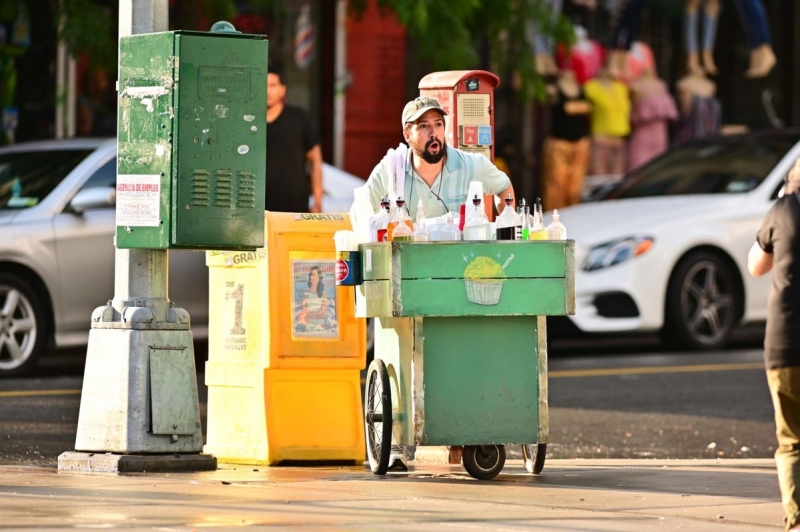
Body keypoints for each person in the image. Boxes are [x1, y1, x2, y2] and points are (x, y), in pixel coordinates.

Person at [747, 159, 800, 531]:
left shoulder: (784, 209)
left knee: (792, 440)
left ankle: (797, 519)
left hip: (786, 340)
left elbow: (757, 266)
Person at [363, 96, 515, 221]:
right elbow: (362, 209)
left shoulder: (471, 164)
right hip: (411, 257)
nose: (433, 133)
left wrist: (507, 229)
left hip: (459, 257)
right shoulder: (392, 169)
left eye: (438, 124)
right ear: (407, 135)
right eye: (423, 126)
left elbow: (503, 187)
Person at [265, 66, 323, 213]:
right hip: (259, 210)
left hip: (294, 208)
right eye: (264, 85)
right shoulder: (248, 123)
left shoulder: (299, 118)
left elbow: (315, 161)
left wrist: (317, 201)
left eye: (273, 85)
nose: (268, 91)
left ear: (283, 89)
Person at [295, 266, 332, 333]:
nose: (315, 278)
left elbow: (323, 314)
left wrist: (310, 314)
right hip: (308, 327)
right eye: (313, 275)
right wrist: (317, 314)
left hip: (321, 327)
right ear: (310, 277)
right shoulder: (305, 293)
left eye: (317, 276)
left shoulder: (324, 293)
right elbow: (304, 312)